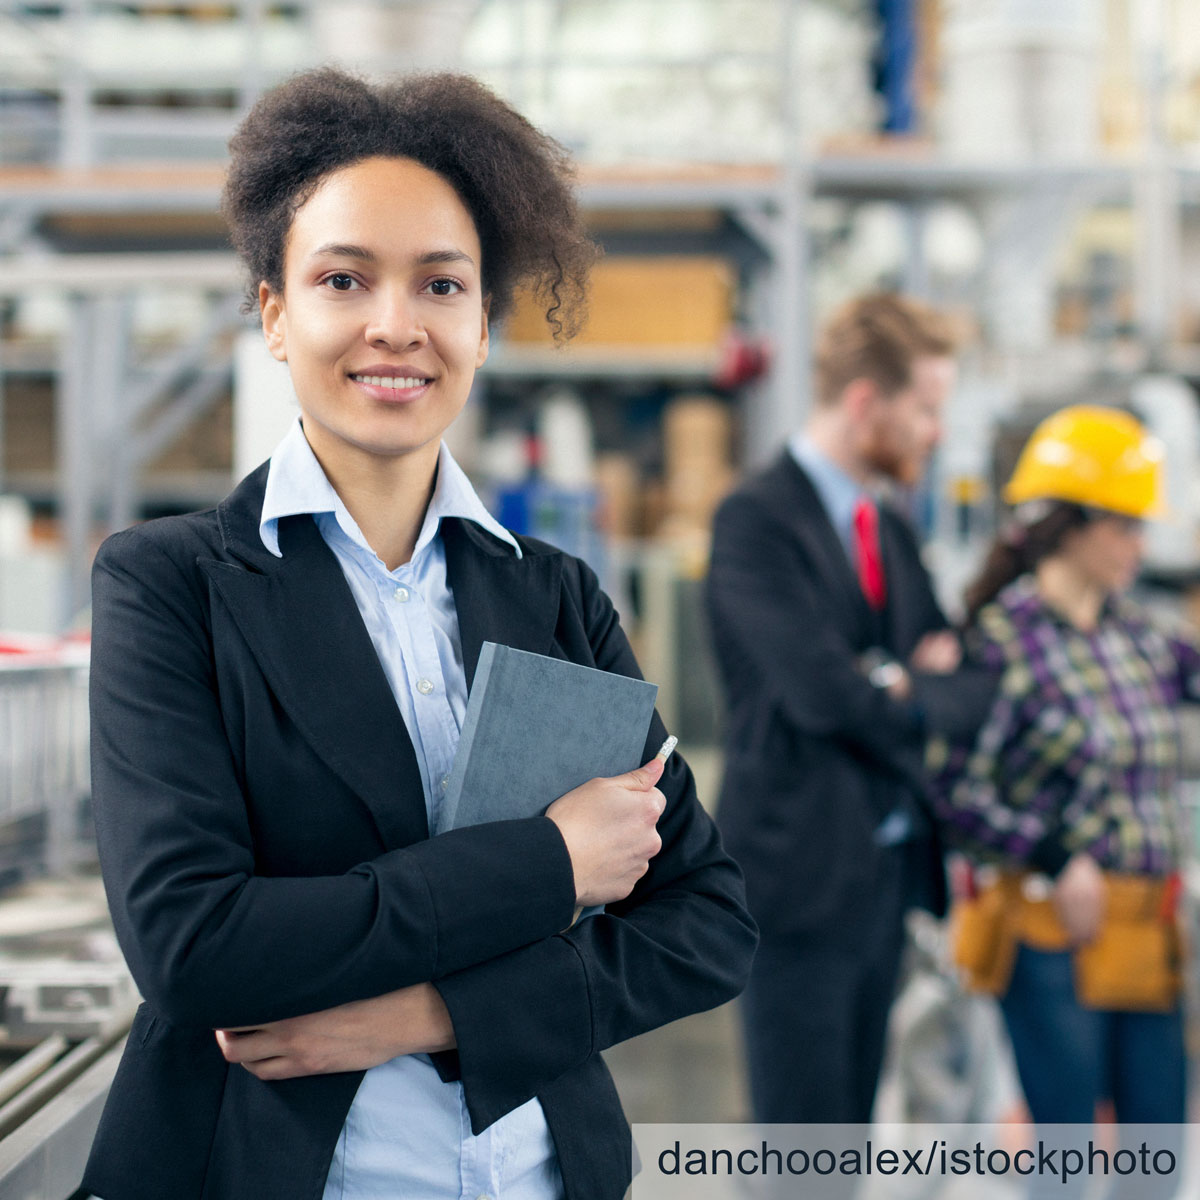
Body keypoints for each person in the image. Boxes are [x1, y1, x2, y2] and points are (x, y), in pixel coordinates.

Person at [82, 68, 756, 1200]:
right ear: (275, 312)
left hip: (544, 1171)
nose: (396, 324)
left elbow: (707, 922)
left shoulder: (554, 597)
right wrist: (551, 864)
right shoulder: (173, 587)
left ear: (483, 323)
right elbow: (194, 946)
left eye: (441, 285)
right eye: (343, 278)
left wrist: (428, 1014)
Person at [705, 292, 995, 1125]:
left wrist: (894, 680)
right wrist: (903, 681)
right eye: (927, 410)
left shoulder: (888, 530)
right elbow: (823, 695)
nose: (936, 433)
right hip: (798, 878)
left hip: (884, 881)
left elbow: (966, 684)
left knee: (854, 1137)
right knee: (805, 1148)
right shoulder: (757, 521)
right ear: (867, 403)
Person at [932, 406, 1191, 1175]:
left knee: (1158, 1162)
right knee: (1067, 1166)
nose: (1142, 544)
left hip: (1146, 926)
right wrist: (1053, 854)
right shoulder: (1002, 643)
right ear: (1071, 526)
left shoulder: (1138, 635)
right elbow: (953, 790)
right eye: (1127, 525)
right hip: (1052, 929)